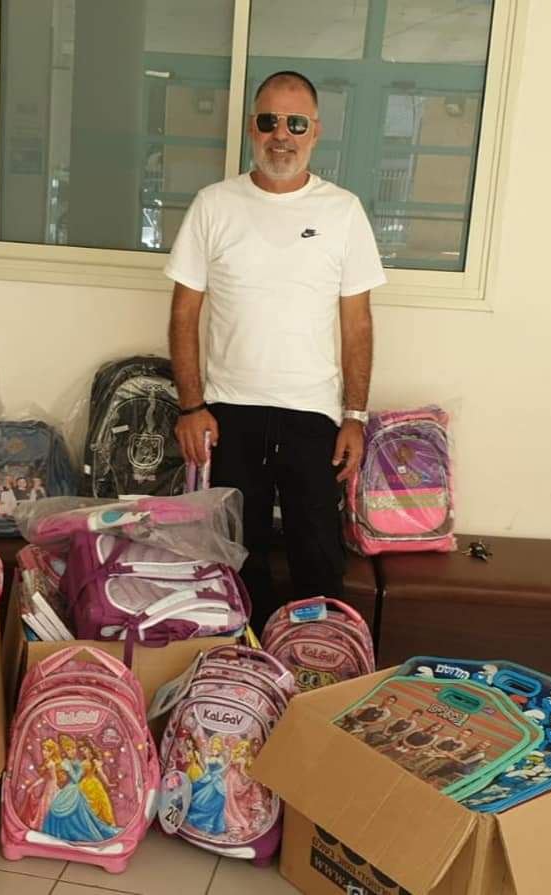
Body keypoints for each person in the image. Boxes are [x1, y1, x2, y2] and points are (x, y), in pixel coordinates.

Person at [166, 70, 386, 632]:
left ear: (315, 131)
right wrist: (191, 407)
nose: (281, 135)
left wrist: (355, 415)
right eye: (269, 121)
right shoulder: (214, 205)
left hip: (313, 415)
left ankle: (318, 661)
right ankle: (247, 666)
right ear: (252, 128)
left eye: (296, 123)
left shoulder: (343, 211)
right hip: (228, 413)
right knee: (240, 558)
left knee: (318, 557)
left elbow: (357, 323)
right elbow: (184, 312)